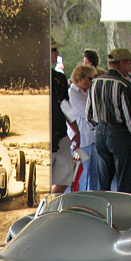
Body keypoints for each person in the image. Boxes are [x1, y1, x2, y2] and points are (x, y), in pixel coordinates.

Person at [87, 47, 131, 193]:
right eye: (129, 64)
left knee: (104, 178)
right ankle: (121, 211)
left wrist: (100, 126)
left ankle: (102, 210)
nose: (130, 68)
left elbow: (89, 113)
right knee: (123, 178)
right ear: (123, 63)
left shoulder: (95, 82)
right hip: (120, 134)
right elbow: (130, 117)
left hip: (100, 132)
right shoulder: (123, 85)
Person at [50, 41, 79, 194]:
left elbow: (65, 106)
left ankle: (50, 203)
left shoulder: (60, 79)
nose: (57, 53)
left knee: (66, 174)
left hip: (61, 134)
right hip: (45, 137)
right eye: (54, 50)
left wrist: (76, 130)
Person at [67, 64, 97, 191]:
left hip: (92, 137)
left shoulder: (87, 92)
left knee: (94, 173)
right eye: (90, 79)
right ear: (80, 78)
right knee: (82, 173)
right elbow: (88, 112)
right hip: (82, 139)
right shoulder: (72, 93)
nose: (92, 82)